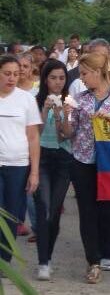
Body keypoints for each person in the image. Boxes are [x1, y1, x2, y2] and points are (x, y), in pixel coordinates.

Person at [61, 53, 110, 284]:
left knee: (108, 209)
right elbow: (68, 132)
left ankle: (107, 252)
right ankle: (92, 260)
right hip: (83, 160)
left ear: (98, 72)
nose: (82, 79)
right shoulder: (79, 98)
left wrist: (109, 122)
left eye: (84, 73)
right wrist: (64, 115)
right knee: (87, 211)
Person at [32, 59, 72, 281]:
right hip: (42, 158)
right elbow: (34, 133)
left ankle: (48, 256)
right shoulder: (35, 101)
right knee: (43, 208)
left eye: (61, 78)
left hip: (64, 159)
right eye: (53, 78)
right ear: (45, 79)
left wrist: (60, 115)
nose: (57, 82)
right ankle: (43, 262)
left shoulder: (69, 102)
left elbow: (66, 135)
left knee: (54, 211)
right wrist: (45, 108)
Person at [0, 55, 41, 267]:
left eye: (16, 74)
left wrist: (34, 172)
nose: (12, 78)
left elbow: (33, 137)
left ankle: (4, 260)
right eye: (7, 73)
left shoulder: (26, 100)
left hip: (18, 165)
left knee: (12, 214)